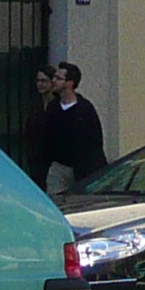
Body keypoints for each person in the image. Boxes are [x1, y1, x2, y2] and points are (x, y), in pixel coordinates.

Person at [42, 61, 106, 195]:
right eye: (54, 77)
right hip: (59, 167)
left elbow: (94, 142)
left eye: (59, 78)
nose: (54, 81)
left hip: (82, 168)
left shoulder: (85, 110)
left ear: (70, 83)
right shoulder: (53, 108)